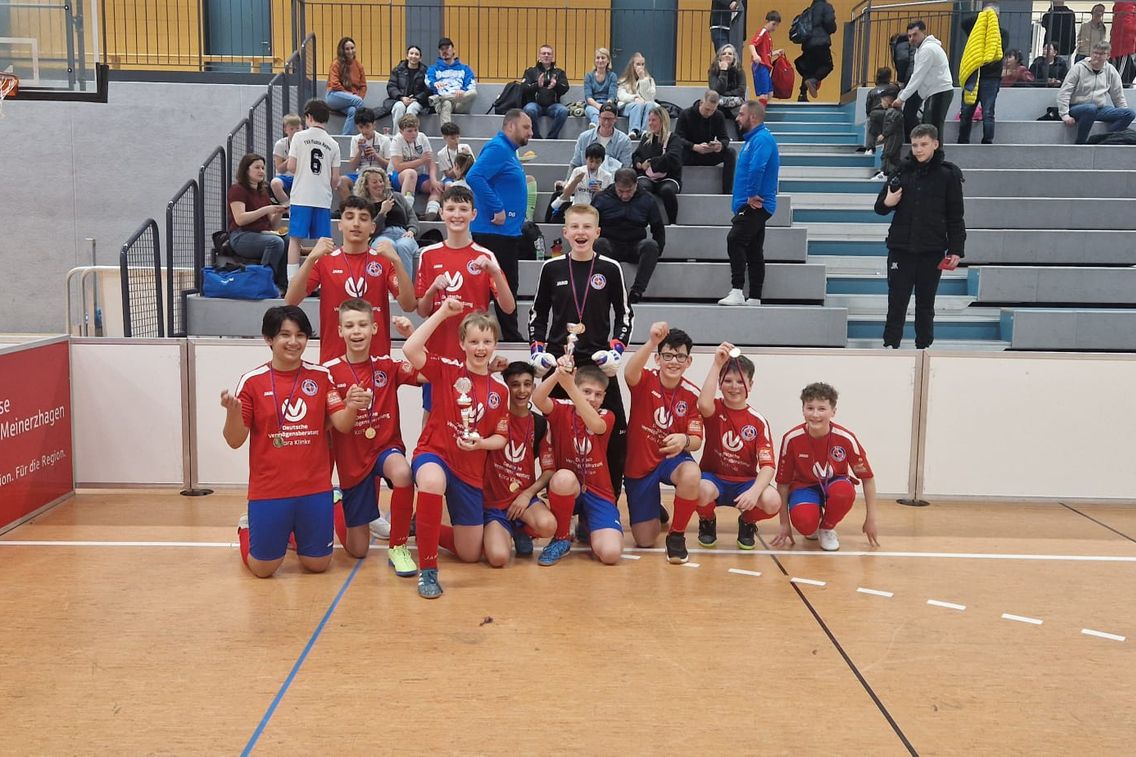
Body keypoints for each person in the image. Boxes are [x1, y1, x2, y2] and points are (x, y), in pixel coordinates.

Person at [226, 305, 366, 577]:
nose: (293, 342)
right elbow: (234, 440)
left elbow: (342, 424)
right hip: (269, 490)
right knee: (263, 570)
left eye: (300, 335)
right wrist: (233, 414)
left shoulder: (321, 376)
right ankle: (247, 528)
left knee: (318, 565)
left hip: (314, 488)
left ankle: (323, 510)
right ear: (269, 339)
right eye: (285, 335)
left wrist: (351, 405)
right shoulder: (252, 382)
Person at [403, 300, 511, 599]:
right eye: (473, 341)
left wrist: (481, 443)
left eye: (486, 342)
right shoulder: (448, 370)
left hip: (469, 470)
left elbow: (500, 438)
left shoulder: (499, 390)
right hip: (434, 453)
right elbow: (410, 349)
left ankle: (421, 526)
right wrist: (443, 313)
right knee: (431, 481)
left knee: (469, 552)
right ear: (462, 343)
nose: (480, 348)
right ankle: (428, 571)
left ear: (495, 345)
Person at [529, 203, 634, 501]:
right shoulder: (551, 268)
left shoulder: (610, 268)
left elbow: (625, 315)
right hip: (560, 361)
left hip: (598, 364)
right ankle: (555, 498)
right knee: (551, 430)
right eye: (574, 227)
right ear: (565, 232)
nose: (580, 232)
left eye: (587, 227)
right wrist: (537, 352)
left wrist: (616, 351)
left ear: (597, 232)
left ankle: (609, 499)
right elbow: (537, 314)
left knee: (614, 431)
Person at [323, 299, 418, 566]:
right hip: (352, 462)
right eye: (349, 325)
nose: (356, 331)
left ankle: (398, 546)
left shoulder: (387, 365)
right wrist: (348, 406)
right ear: (340, 330)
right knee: (358, 550)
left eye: (363, 325)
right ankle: (337, 504)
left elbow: (430, 373)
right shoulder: (328, 372)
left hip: (385, 447)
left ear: (374, 328)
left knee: (403, 473)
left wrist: (411, 335)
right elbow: (327, 424)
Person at [285, 195, 416, 362]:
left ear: (372, 227)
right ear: (340, 225)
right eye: (349, 217)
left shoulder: (384, 261)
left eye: (363, 218)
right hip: (333, 359)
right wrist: (310, 258)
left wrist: (397, 261)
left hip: (377, 360)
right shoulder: (324, 261)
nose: (356, 223)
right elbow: (291, 300)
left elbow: (409, 305)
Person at [874, 124, 965, 349]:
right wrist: (888, 202)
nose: (918, 149)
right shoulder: (900, 171)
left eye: (923, 144)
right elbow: (879, 207)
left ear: (935, 144)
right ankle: (890, 347)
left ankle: (924, 350)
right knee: (896, 303)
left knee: (926, 305)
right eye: (914, 145)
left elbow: (956, 216)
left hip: (932, 251)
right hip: (900, 249)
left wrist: (956, 249)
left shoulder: (949, 175)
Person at [623, 321, 704, 562]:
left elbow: (696, 440)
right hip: (640, 463)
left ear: (688, 362)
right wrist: (652, 341)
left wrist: (684, 439)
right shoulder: (645, 379)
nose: (674, 362)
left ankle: (676, 536)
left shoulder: (692, 394)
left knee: (692, 474)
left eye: (680, 357)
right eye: (668, 355)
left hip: (671, 460)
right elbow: (628, 373)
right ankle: (654, 508)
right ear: (658, 359)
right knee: (645, 540)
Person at [530, 362, 623, 566]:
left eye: (598, 394)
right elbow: (537, 399)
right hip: (569, 489)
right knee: (563, 477)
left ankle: (588, 523)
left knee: (610, 554)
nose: (592, 398)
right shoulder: (562, 409)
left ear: (604, 397)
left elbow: (596, 427)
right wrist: (558, 373)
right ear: (577, 389)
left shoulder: (607, 415)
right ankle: (561, 538)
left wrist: (571, 387)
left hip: (598, 492)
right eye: (586, 392)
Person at [771, 382, 879, 552]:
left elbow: (868, 479)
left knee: (843, 492)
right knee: (805, 524)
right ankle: (813, 521)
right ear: (803, 410)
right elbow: (783, 484)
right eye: (810, 408)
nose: (815, 414)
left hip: (835, 484)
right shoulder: (791, 439)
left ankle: (826, 528)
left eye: (822, 409)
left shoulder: (846, 438)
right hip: (804, 487)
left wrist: (871, 519)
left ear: (833, 411)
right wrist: (784, 524)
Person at [415, 185, 514, 365]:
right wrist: (432, 290)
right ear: (441, 213)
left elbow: (508, 308)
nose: (457, 215)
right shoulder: (428, 254)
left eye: (463, 209)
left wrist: (495, 273)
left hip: (474, 357)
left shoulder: (485, 256)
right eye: (451, 209)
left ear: (473, 214)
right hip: (436, 354)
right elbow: (422, 311)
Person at [693, 344, 780, 550]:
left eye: (740, 381)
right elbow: (703, 404)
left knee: (772, 501)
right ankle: (707, 520)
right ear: (720, 383)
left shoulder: (758, 421)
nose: (734, 387)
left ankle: (748, 521)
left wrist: (754, 492)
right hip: (714, 479)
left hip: (745, 483)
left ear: (751, 385)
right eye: (728, 381)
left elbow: (768, 466)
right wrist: (717, 364)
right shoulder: (714, 409)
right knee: (699, 489)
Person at [481, 362, 557, 566]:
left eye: (527, 384)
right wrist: (489, 370)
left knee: (548, 526)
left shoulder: (540, 423)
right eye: (515, 385)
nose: (522, 390)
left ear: (533, 387)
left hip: (523, 500)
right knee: (498, 558)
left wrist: (527, 494)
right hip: (493, 503)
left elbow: (549, 470)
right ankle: (507, 529)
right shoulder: (493, 417)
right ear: (506, 387)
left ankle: (521, 528)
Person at [466, 109, 531, 343]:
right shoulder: (498, 148)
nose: (531, 132)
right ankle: (505, 336)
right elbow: (474, 176)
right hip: (494, 233)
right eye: (526, 127)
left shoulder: (507, 150)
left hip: (504, 233)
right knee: (501, 285)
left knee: (505, 285)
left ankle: (498, 334)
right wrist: (497, 207)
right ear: (511, 126)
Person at [719, 100, 779, 307]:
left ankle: (737, 290)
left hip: (756, 204)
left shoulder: (761, 139)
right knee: (754, 250)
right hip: (750, 204)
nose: (737, 118)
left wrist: (752, 194)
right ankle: (754, 297)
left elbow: (757, 168)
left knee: (734, 239)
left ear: (753, 117)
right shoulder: (753, 140)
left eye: (741, 114)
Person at [591, 168, 665, 304]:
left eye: (629, 191)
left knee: (651, 245)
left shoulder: (647, 199)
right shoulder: (601, 198)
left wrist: (657, 252)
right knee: (599, 243)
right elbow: (591, 225)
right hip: (610, 245)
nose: (625, 195)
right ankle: (617, 290)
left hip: (635, 245)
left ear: (636, 185)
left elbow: (658, 228)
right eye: (621, 191)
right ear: (615, 185)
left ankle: (637, 291)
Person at [285, 99, 341, 276]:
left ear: (308, 117)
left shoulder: (298, 137)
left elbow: (291, 167)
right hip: (322, 198)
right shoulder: (333, 144)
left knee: (295, 240)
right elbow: (335, 179)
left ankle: (292, 280)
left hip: (301, 196)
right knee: (322, 241)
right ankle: (321, 279)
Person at [227, 153, 288, 292]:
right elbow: (240, 219)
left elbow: (272, 225)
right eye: (257, 167)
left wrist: (279, 212)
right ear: (246, 170)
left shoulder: (263, 192)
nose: (261, 171)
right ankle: (263, 283)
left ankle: (282, 285)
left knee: (287, 240)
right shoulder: (237, 190)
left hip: (262, 234)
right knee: (275, 242)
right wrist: (266, 209)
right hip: (241, 236)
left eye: (262, 168)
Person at [1058, 42, 1135, 144]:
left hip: (1099, 109)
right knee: (1090, 108)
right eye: (1095, 53)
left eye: (1101, 54)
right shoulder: (1078, 68)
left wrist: (1122, 110)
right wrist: (1064, 114)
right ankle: (1080, 143)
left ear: (1108, 56)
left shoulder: (1110, 70)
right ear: (1091, 53)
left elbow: (1118, 95)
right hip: (1077, 108)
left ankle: (1103, 140)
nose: (1097, 56)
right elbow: (1065, 92)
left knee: (1129, 113)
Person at [352, 168, 419, 277]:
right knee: (388, 246)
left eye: (381, 181)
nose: (379, 184)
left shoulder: (397, 197)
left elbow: (412, 216)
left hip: (403, 233)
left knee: (403, 246)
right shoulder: (364, 205)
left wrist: (412, 230)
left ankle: (405, 285)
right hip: (381, 235)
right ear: (366, 185)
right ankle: (389, 284)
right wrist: (382, 212)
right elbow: (369, 230)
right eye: (374, 182)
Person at [893, 21, 954, 141]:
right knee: (930, 128)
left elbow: (917, 77)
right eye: (909, 36)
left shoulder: (927, 50)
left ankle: (935, 152)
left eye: (915, 34)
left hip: (939, 92)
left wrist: (901, 99)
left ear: (923, 32)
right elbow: (918, 77)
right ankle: (927, 150)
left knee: (933, 128)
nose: (912, 38)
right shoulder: (922, 49)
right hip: (936, 92)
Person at [959, 3, 1007, 145]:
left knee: (988, 112)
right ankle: (963, 141)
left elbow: (998, 53)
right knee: (966, 111)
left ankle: (987, 142)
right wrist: (983, 16)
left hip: (991, 79)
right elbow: (964, 23)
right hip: (973, 75)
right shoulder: (976, 32)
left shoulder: (1003, 33)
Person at [675, 90, 736, 195]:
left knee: (730, 152)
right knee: (675, 152)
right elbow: (678, 138)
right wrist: (694, 146)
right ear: (701, 103)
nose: (709, 113)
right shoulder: (685, 114)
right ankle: (676, 186)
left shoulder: (718, 116)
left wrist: (720, 145)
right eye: (707, 109)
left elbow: (724, 138)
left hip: (708, 153)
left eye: (713, 110)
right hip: (690, 153)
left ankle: (727, 191)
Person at [632, 106, 684, 225]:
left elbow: (673, 158)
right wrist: (638, 163)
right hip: (647, 177)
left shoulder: (673, 138)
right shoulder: (646, 137)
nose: (650, 123)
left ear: (662, 121)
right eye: (649, 120)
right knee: (642, 187)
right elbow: (637, 154)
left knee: (667, 190)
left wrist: (651, 162)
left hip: (669, 177)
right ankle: (646, 220)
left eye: (654, 120)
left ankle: (672, 222)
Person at [389, 113, 441, 220]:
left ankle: (431, 212)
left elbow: (430, 162)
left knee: (438, 186)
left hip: (419, 176)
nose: (414, 133)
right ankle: (406, 211)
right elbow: (398, 167)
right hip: (399, 177)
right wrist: (421, 161)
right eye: (409, 131)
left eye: (416, 130)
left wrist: (433, 180)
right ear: (401, 131)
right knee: (410, 173)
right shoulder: (396, 140)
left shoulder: (422, 137)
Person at [336, 107, 390, 203]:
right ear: (357, 126)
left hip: (379, 174)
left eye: (367, 126)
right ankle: (351, 207)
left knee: (373, 180)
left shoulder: (384, 140)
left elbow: (389, 165)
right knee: (341, 181)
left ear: (374, 125)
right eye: (361, 127)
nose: (364, 131)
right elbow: (353, 166)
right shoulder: (355, 139)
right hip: (361, 173)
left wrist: (375, 155)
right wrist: (359, 152)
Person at [549, 143, 614, 219]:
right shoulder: (578, 171)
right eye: (591, 161)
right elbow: (566, 194)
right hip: (577, 210)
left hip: (597, 212)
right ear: (586, 159)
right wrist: (575, 181)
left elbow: (611, 200)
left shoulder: (607, 176)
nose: (593, 165)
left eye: (597, 162)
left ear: (602, 162)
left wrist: (600, 192)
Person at [568, 101, 632, 174]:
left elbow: (625, 168)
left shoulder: (624, 140)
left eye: (610, 119)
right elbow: (575, 164)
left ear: (615, 119)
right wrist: (568, 180)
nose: (606, 122)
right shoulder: (584, 137)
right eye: (604, 118)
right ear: (598, 117)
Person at [521, 44, 570, 140]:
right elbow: (523, 88)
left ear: (552, 57)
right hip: (535, 105)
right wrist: (537, 85)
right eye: (544, 53)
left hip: (553, 106)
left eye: (549, 54)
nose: (546, 55)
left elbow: (565, 88)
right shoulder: (530, 71)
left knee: (563, 111)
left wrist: (556, 85)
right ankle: (536, 137)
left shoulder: (559, 72)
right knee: (529, 109)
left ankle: (551, 138)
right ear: (539, 56)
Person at [426, 37, 477, 125]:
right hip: (443, 105)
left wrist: (463, 90)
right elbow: (428, 80)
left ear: (453, 50)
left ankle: (441, 98)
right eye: (442, 49)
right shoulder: (433, 69)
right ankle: (447, 132)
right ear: (439, 52)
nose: (444, 51)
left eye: (447, 48)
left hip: (459, 102)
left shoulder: (464, 68)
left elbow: (471, 83)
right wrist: (434, 83)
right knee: (446, 103)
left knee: (473, 93)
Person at [794, 0, 837, 101]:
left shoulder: (809, 9)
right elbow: (830, 23)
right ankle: (814, 80)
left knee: (809, 69)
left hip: (807, 44)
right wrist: (832, 29)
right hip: (821, 43)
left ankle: (802, 94)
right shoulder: (826, 7)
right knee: (828, 65)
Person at [326, 37, 368, 136]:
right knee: (358, 101)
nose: (350, 51)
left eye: (352, 48)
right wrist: (351, 95)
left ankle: (345, 138)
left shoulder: (358, 65)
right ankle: (366, 131)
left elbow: (363, 86)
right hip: (334, 95)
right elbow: (334, 84)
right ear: (342, 51)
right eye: (347, 49)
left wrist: (358, 96)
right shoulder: (336, 64)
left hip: (350, 99)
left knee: (353, 110)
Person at [383, 45, 430, 131]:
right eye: (411, 53)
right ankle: (397, 136)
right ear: (407, 56)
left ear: (420, 58)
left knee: (412, 109)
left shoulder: (425, 71)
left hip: (418, 101)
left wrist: (416, 98)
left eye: (416, 54)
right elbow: (391, 86)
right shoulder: (398, 70)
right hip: (400, 99)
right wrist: (401, 97)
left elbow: (428, 89)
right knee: (398, 107)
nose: (413, 56)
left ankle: (410, 134)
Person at [616, 52, 659, 140]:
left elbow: (649, 97)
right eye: (638, 64)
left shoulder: (649, 80)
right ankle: (633, 130)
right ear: (632, 66)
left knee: (650, 104)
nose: (641, 67)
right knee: (637, 105)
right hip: (628, 106)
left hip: (645, 105)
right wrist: (635, 98)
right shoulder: (624, 80)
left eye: (643, 64)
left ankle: (645, 131)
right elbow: (621, 95)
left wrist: (643, 79)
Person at [866, 87, 903, 180]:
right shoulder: (895, 111)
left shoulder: (892, 112)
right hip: (895, 137)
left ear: (888, 100)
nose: (881, 103)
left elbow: (891, 125)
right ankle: (895, 173)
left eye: (882, 100)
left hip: (893, 138)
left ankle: (885, 173)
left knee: (887, 154)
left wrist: (884, 134)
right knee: (893, 157)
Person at [745, 13, 782, 105]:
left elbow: (766, 53)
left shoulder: (768, 36)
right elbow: (752, 44)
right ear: (767, 21)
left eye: (776, 25)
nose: (774, 27)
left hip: (766, 66)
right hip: (761, 66)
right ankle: (759, 112)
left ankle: (761, 108)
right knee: (764, 94)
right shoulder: (762, 32)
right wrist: (755, 55)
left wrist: (775, 53)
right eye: (773, 24)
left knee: (770, 93)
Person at [709, 44, 747, 122]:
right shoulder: (713, 70)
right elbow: (715, 90)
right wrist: (723, 71)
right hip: (718, 104)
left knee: (743, 116)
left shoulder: (739, 70)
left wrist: (725, 94)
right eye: (724, 54)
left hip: (736, 103)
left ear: (734, 57)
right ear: (719, 57)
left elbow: (741, 90)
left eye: (730, 54)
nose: (727, 55)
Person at [270, 113, 301, 205]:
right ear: (285, 130)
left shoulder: (306, 144)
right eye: (292, 129)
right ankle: (287, 205)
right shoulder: (280, 144)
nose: (295, 132)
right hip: (285, 177)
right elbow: (279, 168)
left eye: (297, 128)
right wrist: (292, 157)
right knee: (275, 183)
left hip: (300, 176)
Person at [583, 47, 618, 126]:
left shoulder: (612, 76)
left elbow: (612, 96)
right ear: (595, 60)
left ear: (608, 60)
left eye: (603, 58)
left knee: (608, 114)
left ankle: (597, 127)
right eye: (598, 58)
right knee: (594, 113)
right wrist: (598, 106)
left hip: (608, 105)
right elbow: (588, 97)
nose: (600, 60)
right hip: (592, 105)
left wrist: (605, 106)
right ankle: (595, 126)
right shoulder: (588, 76)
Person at [435, 121, 473, 187]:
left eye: (458, 137)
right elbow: (448, 174)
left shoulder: (466, 147)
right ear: (445, 137)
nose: (456, 140)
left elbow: (473, 165)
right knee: (448, 185)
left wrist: (466, 157)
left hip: (465, 175)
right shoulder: (441, 154)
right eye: (453, 138)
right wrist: (461, 162)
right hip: (450, 179)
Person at [1112, 2, 1136, 85]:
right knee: (1122, 79)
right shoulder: (1127, 7)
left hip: (1123, 47)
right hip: (1126, 48)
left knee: (1124, 76)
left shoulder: (1124, 8)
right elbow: (1127, 27)